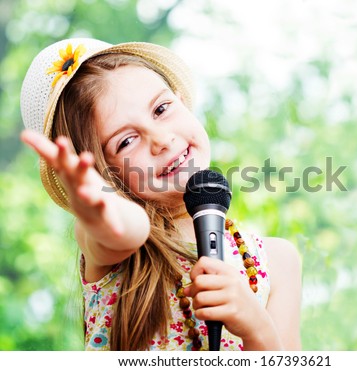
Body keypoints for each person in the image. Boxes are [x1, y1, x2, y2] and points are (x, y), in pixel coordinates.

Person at [20, 38, 302, 351]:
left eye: (161, 109)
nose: (161, 139)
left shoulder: (278, 260)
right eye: (126, 141)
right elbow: (126, 229)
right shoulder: (108, 244)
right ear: (105, 174)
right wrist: (98, 204)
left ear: (181, 101)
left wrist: (257, 330)